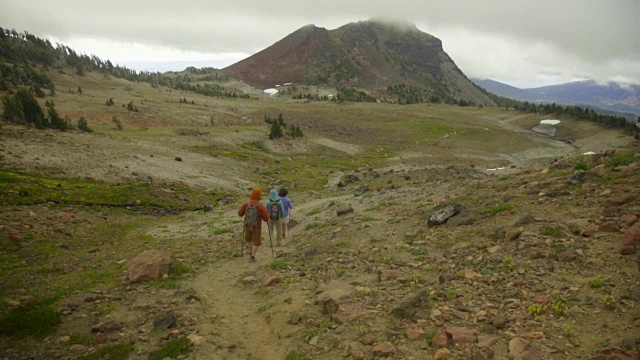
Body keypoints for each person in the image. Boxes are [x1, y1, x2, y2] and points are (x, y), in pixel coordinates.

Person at [238, 188, 269, 263]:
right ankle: (253, 256)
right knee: (256, 242)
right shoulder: (261, 206)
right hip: (256, 226)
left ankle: (250, 252)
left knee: (249, 240)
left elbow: (240, 213)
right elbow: (266, 218)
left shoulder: (246, 204)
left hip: (247, 225)